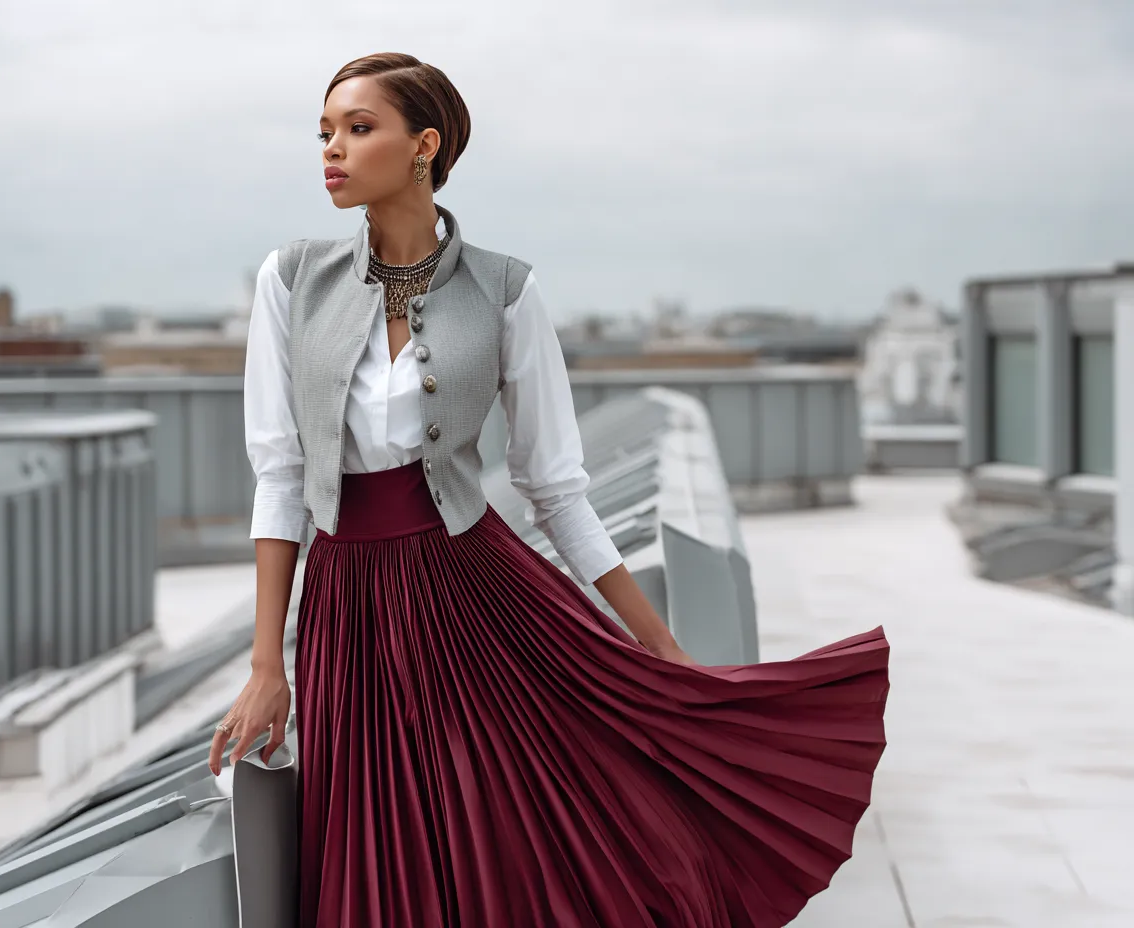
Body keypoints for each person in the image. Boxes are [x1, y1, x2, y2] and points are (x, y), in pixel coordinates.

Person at [208, 51, 889, 928]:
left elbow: (556, 487)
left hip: (478, 599)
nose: (332, 150)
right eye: (325, 132)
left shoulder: (505, 290)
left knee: (498, 827)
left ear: (424, 147)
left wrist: (660, 646)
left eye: (358, 128)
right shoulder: (291, 280)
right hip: (349, 607)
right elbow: (280, 476)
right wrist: (268, 665)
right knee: (380, 840)